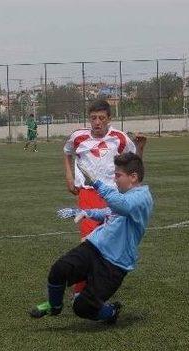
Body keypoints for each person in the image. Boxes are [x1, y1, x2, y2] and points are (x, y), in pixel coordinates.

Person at [32, 99, 147, 317]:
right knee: (87, 241)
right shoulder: (78, 137)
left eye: (101, 118)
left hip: (113, 196)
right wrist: (68, 175)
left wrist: (140, 147)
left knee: (107, 243)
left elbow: (135, 166)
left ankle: (93, 289)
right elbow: (66, 152)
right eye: (93, 118)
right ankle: (79, 291)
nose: (97, 122)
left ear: (109, 119)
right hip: (88, 193)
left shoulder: (120, 139)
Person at [30, 153, 153, 324]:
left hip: (114, 264)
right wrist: (85, 212)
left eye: (118, 176)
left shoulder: (142, 198)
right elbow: (109, 212)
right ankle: (54, 306)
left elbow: (121, 206)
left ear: (133, 177)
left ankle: (111, 311)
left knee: (83, 308)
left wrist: (96, 183)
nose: (115, 180)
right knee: (59, 269)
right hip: (94, 248)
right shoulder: (127, 196)